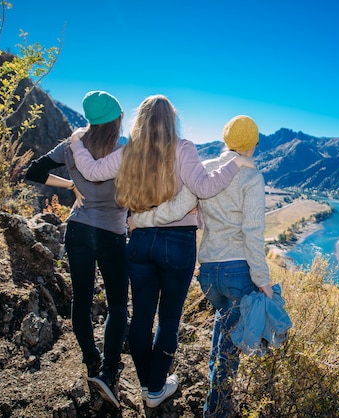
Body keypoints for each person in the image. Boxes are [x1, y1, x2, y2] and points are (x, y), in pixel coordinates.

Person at [69, 95, 255, 409]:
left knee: (141, 317)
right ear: (172, 120)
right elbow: (206, 188)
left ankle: (150, 385)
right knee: (169, 320)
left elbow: (92, 171)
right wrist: (236, 162)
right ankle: (155, 388)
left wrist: (76, 143)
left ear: (139, 121)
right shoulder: (183, 148)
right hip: (179, 242)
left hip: (139, 239)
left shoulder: (130, 151)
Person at [132, 115, 282, 417]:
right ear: (252, 145)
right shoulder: (251, 176)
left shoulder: (206, 170)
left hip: (210, 272)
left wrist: (139, 220)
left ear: (227, 141)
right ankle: (216, 410)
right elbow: (252, 233)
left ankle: (215, 395)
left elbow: (175, 209)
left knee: (224, 328)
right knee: (231, 346)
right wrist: (263, 280)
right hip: (238, 270)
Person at [24, 91, 128, 409]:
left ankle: (90, 360)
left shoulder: (72, 145)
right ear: (116, 119)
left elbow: (34, 171)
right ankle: (109, 371)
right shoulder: (123, 148)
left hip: (79, 229)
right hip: (112, 234)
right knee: (117, 305)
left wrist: (71, 185)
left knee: (81, 299)